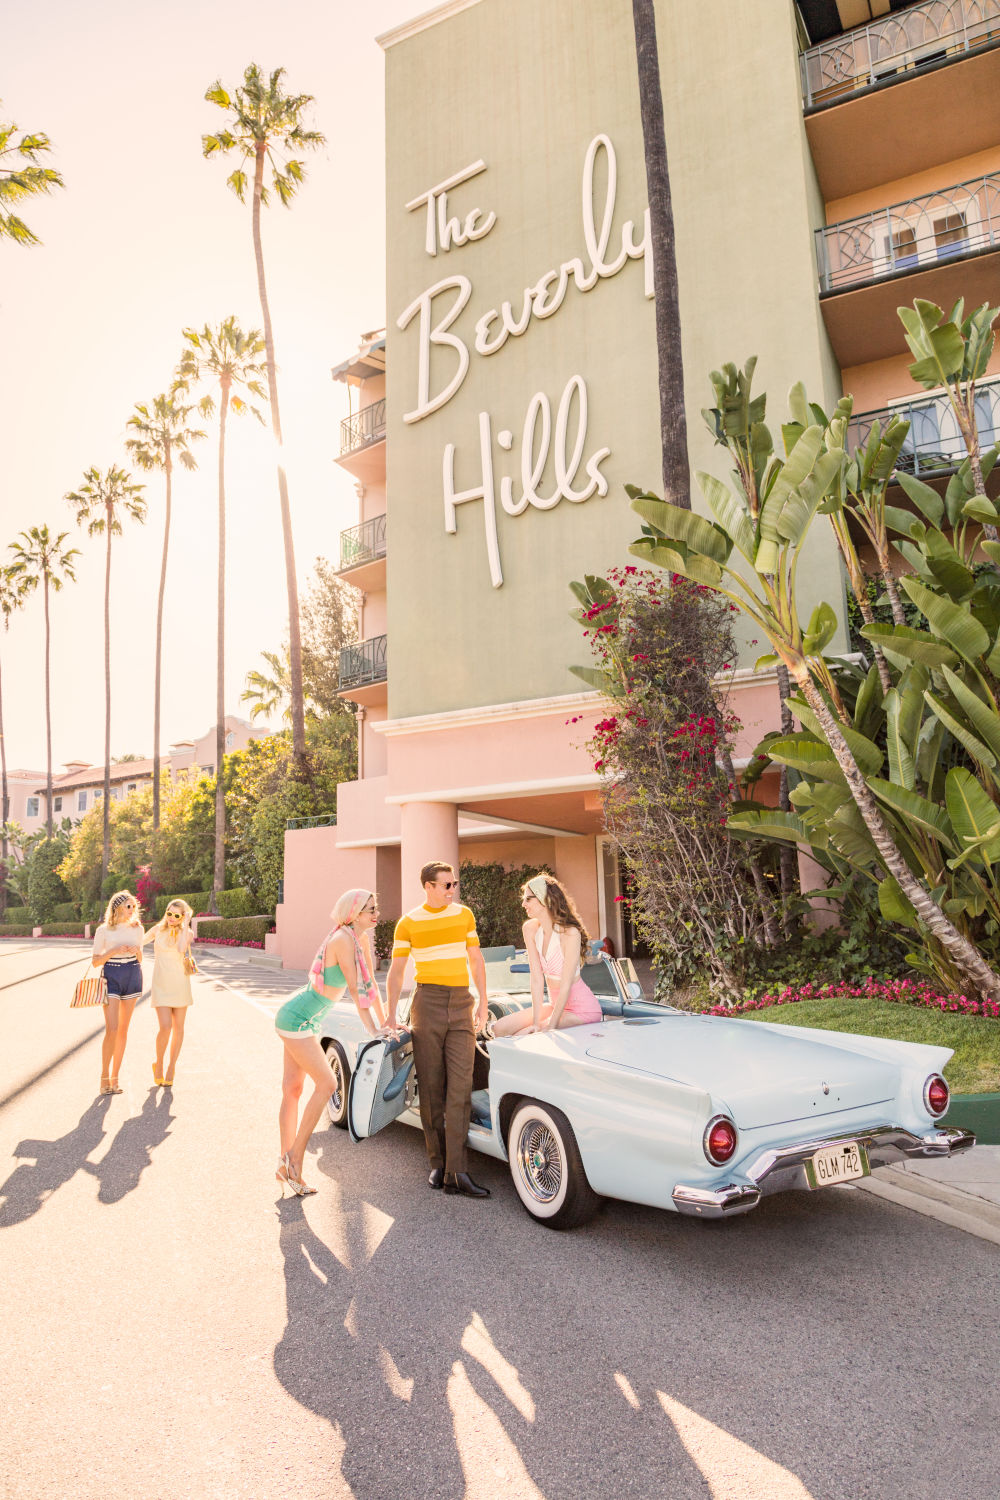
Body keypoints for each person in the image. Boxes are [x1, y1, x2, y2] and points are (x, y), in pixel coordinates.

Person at [385, 861, 490, 1199]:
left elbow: (475, 960)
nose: (452, 890)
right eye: (446, 885)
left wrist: (483, 1001)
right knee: (431, 1086)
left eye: (453, 884)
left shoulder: (464, 916)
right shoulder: (408, 923)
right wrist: (389, 1014)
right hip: (426, 1002)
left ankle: (457, 1172)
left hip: (461, 1003)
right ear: (428, 886)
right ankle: (437, 1162)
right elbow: (397, 971)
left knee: (460, 1086)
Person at [273, 889, 382, 1197]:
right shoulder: (342, 940)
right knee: (328, 1083)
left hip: (307, 1020)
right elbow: (355, 989)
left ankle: (284, 1164)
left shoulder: (360, 940)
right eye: (369, 909)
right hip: (295, 1018)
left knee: (293, 1089)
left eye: (376, 908)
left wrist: (386, 1023)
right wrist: (374, 1029)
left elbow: (371, 986)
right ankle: (294, 1160)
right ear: (353, 912)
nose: (376, 913)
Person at [492, 873, 603, 1036]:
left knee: (524, 1036)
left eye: (528, 899)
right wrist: (536, 1023)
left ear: (545, 899)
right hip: (554, 1005)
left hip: (582, 1009)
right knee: (499, 1028)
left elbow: (565, 985)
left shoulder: (569, 933)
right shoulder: (530, 929)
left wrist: (550, 1026)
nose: (523, 904)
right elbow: (536, 979)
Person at [90, 889, 146, 1095]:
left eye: (134, 906)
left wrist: (137, 951)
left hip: (132, 974)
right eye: (128, 906)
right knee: (112, 1029)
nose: (132, 910)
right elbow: (96, 962)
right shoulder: (103, 931)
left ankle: (115, 1078)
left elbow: (141, 959)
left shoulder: (138, 929)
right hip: (111, 976)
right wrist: (114, 950)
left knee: (123, 1030)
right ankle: (104, 1077)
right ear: (117, 907)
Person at [142, 898, 196, 1087]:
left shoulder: (187, 932)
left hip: (180, 984)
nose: (172, 918)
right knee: (165, 1027)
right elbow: (140, 941)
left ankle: (171, 1067)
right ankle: (159, 1063)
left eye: (176, 915)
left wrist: (186, 923)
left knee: (179, 1028)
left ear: (182, 916)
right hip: (161, 984)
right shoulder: (158, 929)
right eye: (169, 913)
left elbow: (182, 949)